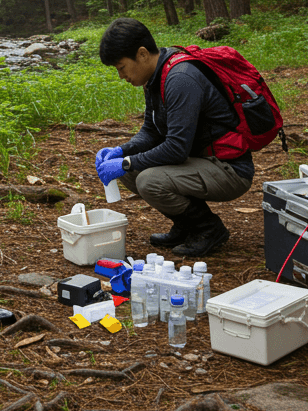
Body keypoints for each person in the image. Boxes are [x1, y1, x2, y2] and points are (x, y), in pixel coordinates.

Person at [93, 18, 253, 256]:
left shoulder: (180, 79)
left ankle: (209, 229)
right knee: (130, 172)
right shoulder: (155, 77)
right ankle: (186, 225)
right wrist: (121, 151)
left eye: (121, 67)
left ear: (142, 53)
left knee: (148, 180)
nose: (121, 76)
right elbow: (151, 131)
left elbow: (176, 148)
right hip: (198, 160)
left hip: (228, 168)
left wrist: (126, 161)